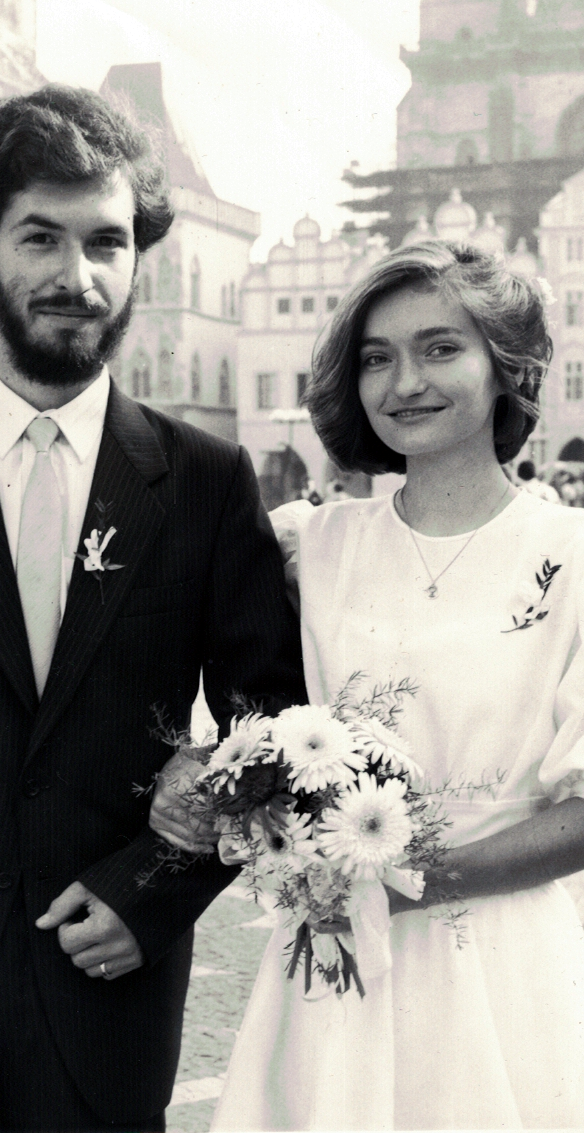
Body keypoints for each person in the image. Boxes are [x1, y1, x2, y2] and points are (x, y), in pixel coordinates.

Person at [0, 85, 305, 1133]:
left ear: (137, 260)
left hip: (103, 1000)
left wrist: (154, 889)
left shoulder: (206, 480)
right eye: (40, 236)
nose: (77, 276)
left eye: (106, 242)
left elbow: (271, 725)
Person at [151, 241, 584, 1129]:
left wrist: (406, 878)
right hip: (333, 947)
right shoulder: (311, 544)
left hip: (499, 957)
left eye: (440, 348)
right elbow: (248, 702)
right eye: (377, 358)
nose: (404, 383)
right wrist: (197, 767)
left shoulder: (569, 557)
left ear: (507, 366)